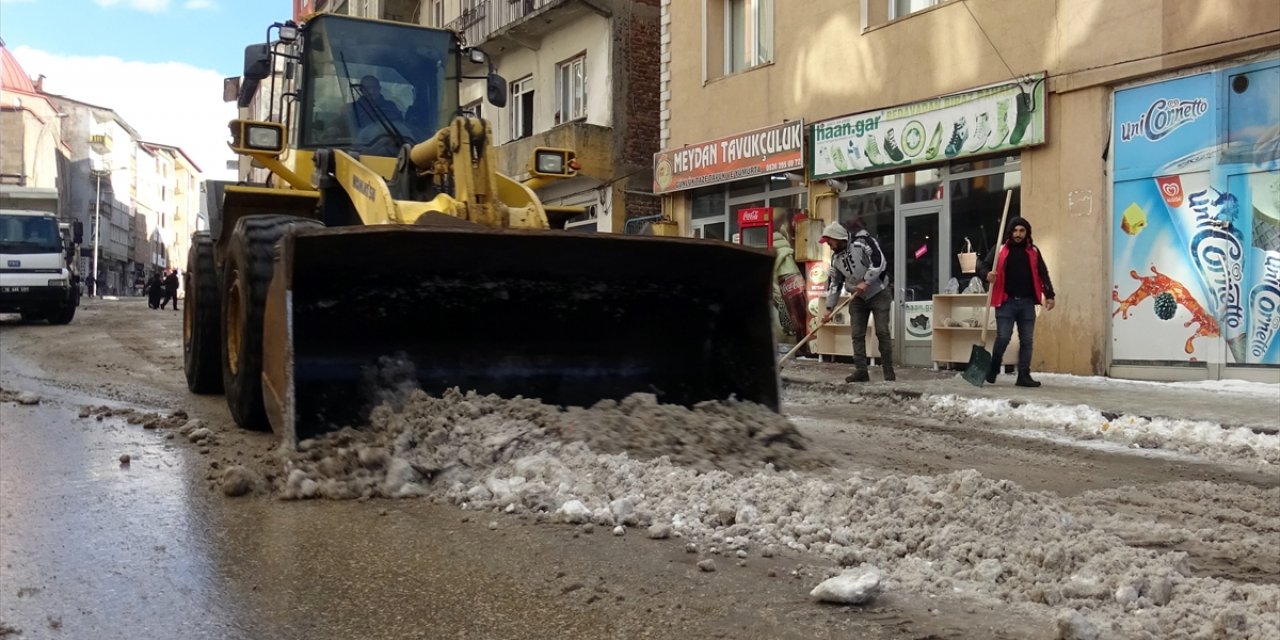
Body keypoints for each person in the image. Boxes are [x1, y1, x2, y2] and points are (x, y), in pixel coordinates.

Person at [977, 216, 1056, 387]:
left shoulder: (1034, 251)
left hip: (1027, 303)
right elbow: (982, 266)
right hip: (1006, 302)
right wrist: (986, 275)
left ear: (1027, 233)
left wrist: (1049, 295)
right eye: (1015, 231)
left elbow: (1043, 273)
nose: (1018, 234)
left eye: (1022, 231)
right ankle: (994, 367)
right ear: (1010, 232)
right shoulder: (1000, 249)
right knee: (1003, 337)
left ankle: (1024, 375)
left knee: (1027, 340)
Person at [820, 219, 893, 382]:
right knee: (857, 334)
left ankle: (888, 371)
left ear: (838, 238)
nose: (829, 245)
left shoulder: (863, 242)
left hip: (879, 292)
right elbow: (834, 284)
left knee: (882, 331)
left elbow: (879, 261)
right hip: (857, 298)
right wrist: (829, 309)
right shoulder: (835, 259)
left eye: (829, 242)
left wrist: (866, 281)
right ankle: (861, 371)